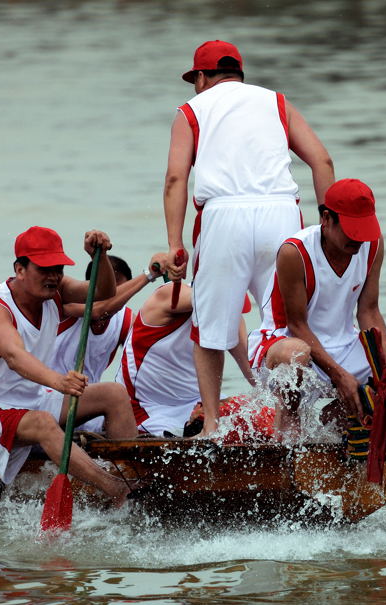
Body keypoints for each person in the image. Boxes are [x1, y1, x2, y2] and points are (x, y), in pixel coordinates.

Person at [163, 40, 336, 436]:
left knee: (209, 329)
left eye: (195, 79)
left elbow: (176, 178)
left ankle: (210, 425)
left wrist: (176, 243)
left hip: (223, 217)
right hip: (281, 214)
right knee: (287, 326)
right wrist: (328, 228)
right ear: (239, 73)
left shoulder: (191, 110)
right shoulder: (275, 102)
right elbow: (322, 160)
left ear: (203, 77)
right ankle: (290, 428)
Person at [0, 227, 139, 505]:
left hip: (32, 401)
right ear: (20, 269)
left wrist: (99, 257)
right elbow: (15, 356)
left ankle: (137, 475)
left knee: (114, 394)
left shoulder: (56, 291)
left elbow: (103, 291)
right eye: (44, 268)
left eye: (58, 268)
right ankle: (117, 489)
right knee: (44, 423)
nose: (53, 276)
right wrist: (59, 382)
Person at [247, 179, 386, 434]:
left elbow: (369, 311)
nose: (358, 240)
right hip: (284, 345)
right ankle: (290, 442)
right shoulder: (295, 252)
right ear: (326, 218)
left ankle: (337, 417)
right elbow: (297, 325)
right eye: (351, 230)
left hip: (344, 344)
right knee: (296, 353)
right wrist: (339, 375)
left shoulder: (373, 244)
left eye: (363, 229)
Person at [117, 252, 254, 438]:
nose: (229, 311)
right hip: (147, 408)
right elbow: (207, 299)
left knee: (255, 418)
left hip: (196, 405)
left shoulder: (231, 316)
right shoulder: (167, 296)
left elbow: (253, 373)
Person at [48, 253, 166, 433]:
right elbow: (100, 311)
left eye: (122, 290)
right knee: (114, 393)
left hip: (89, 408)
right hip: (50, 403)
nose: (118, 296)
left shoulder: (125, 319)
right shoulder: (66, 307)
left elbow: (153, 352)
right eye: (112, 290)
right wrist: (149, 274)